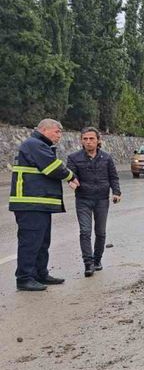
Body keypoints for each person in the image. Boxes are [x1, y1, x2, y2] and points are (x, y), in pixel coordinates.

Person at [8, 119, 79, 291]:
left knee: (42, 242)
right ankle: (24, 278)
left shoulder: (39, 145)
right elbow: (52, 168)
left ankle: (40, 273)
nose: (59, 136)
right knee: (31, 242)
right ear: (45, 130)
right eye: (57, 132)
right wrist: (71, 175)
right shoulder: (34, 144)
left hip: (38, 203)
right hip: (30, 203)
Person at [67, 127, 122, 277]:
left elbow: (113, 177)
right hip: (83, 199)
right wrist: (72, 182)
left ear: (98, 140)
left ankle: (97, 260)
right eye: (85, 139)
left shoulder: (107, 158)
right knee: (85, 231)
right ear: (81, 141)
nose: (88, 142)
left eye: (91, 139)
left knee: (100, 232)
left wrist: (116, 192)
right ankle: (88, 263)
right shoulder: (73, 158)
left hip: (102, 199)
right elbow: (71, 176)